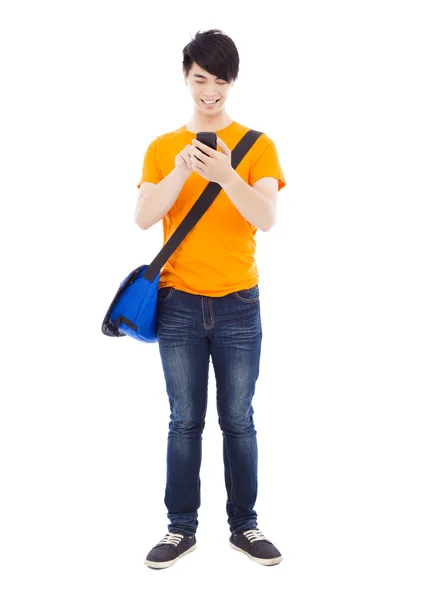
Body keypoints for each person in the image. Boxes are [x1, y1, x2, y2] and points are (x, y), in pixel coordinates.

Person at [135, 29, 287, 569]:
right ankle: (180, 530)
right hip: (177, 303)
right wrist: (182, 167)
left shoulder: (256, 145)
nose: (210, 91)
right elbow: (144, 216)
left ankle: (244, 526)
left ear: (232, 81)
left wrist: (225, 175)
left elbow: (266, 218)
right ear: (185, 77)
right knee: (183, 420)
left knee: (239, 419)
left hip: (239, 305)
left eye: (220, 80)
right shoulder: (161, 148)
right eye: (200, 78)